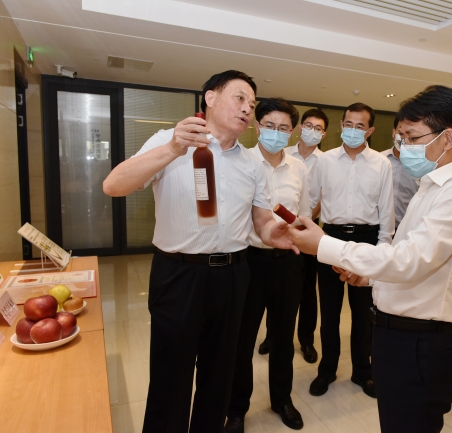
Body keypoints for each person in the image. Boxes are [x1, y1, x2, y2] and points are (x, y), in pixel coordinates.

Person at [288, 85, 452, 433]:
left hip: (422, 341)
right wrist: (370, 277)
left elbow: (410, 260)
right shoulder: (431, 185)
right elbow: (411, 254)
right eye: (402, 137)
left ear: (447, 138)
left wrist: (323, 245)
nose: (403, 146)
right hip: (399, 334)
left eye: (412, 138)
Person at [103, 71, 296, 433]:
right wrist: (173, 150)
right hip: (179, 275)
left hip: (233, 276)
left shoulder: (251, 163)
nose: (248, 108)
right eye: (240, 98)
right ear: (210, 98)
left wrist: (276, 234)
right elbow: (114, 185)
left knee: (219, 372)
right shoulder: (170, 141)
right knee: (170, 372)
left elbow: (261, 220)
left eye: (252, 104)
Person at [224, 98, 310, 433]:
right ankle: (236, 409)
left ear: (293, 131)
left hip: (287, 262)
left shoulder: (299, 168)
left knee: (283, 337)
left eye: (284, 128)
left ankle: (282, 399)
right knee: (242, 339)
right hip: (249, 260)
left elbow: (304, 214)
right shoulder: (240, 161)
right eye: (270, 126)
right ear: (257, 127)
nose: (276, 133)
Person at [307, 102, 395, 398]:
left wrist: (383, 248)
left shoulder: (381, 164)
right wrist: (306, 234)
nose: (353, 130)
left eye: (360, 126)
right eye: (348, 124)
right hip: (330, 238)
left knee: (363, 312)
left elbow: (386, 209)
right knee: (329, 311)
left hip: (366, 240)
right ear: (341, 125)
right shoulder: (325, 161)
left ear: (370, 130)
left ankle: (362, 371)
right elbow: (310, 201)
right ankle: (327, 370)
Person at [285, 108, 328, 364]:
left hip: (310, 230)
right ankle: (274, 336)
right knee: (279, 287)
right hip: (281, 229)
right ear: (301, 127)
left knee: (307, 290)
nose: (313, 131)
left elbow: (323, 197)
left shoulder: (325, 161)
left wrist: (306, 221)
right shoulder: (284, 153)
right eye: (309, 125)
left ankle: (306, 340)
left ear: (323, 134)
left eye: (318, 128)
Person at [380, 116, 419, 229]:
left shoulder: (422, 164)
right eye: (400, 132)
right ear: (393, 132)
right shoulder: (379, 160)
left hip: (408, 229)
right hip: (379, 229)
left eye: (409, 133)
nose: (404, 138)